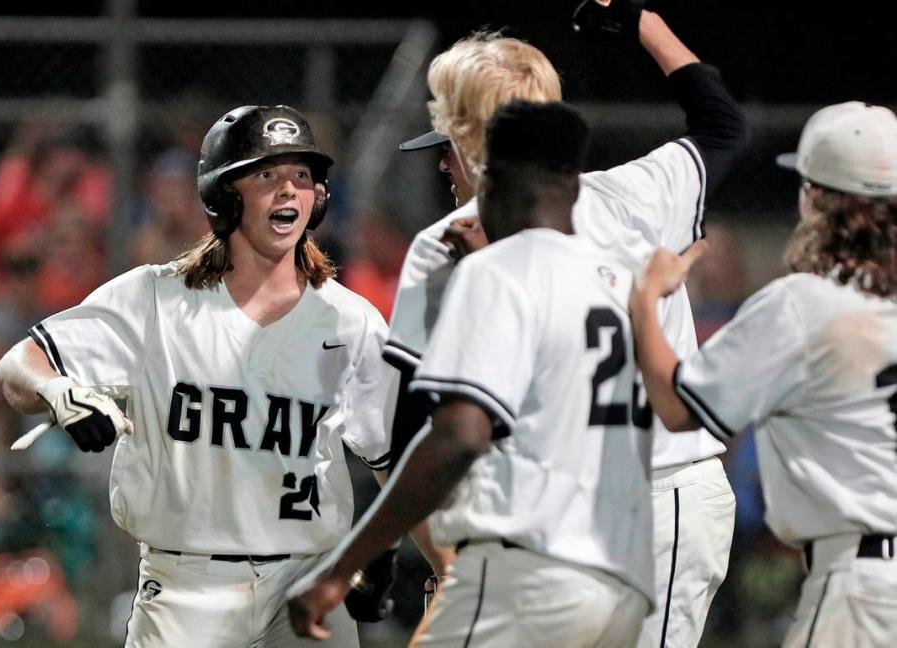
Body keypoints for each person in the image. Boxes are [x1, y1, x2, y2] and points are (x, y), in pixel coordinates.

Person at [0, 104, 443, 647]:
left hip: (304, 584)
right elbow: (17, 365)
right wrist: (57, 389)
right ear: (224, 194)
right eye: (267, 175)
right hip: (186, 591)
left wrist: (443, 571)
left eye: (302, 176)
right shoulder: (152, 300)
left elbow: (403, 458)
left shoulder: (350, 321)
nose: (289, 191)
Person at [386, 9, 748, 647]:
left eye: (446, 134)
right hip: (650, 507)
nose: (442, 158)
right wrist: (645, 23)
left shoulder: (450, 242)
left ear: (471, 137)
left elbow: (424, 426)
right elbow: (721, 123)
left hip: (622, 500)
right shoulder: (640, 193)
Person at [289, 98, 655, 646]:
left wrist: (347, 564)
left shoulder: (494, 273)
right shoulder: (620, 280)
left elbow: (458, 438)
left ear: (492, 178)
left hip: (527, 577)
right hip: (621, 576)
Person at [628, 100, 897, 648]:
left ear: (815, 196)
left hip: (865, 587)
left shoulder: (804, 304)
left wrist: (645, 302)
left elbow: (681, 409)